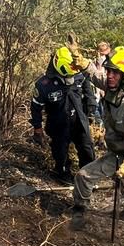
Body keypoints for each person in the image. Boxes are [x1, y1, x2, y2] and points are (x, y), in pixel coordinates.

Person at [73, 45, 124, 221]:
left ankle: (79, 213)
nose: (110, 76)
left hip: (123, 153)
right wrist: (80, 59)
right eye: (109, 71)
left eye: (115, 73)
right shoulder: (112, 87)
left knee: (83, 176)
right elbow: (95, 75)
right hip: (117, 150)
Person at [30, 45, 98, 184]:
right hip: (58, 123)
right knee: (60, 152)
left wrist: (91, 109)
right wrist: (38, 128)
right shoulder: (44, 85)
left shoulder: (80, 74)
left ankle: (88, 176)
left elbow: (88, 90)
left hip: (79, 119)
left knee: (87, 149)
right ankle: (63, 174)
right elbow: (36, 107)